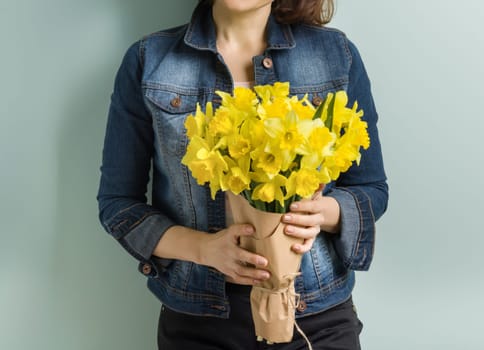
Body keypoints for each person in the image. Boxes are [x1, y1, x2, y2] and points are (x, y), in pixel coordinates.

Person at [97, 0, 388, 349]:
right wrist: (205, 250)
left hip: (317, 319)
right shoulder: (149, 60)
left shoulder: (336, 55)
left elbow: (372, 188)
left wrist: (325, 213)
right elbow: (118, 205)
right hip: (198, 324)